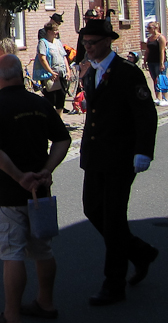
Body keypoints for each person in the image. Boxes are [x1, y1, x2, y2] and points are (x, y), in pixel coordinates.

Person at [0, 54, 71, 323]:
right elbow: (63, 140)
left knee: (12, 253)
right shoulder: (40, 103)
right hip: (38, 190)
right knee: (43, 250)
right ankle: (46, 302)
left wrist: (20, 177)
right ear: (21, 75)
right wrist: (46, 170)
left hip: (7, 192)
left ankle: (11, 314)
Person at [77, 17, 159, 306]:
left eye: (92, 43)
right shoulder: (91, 72)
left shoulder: (127, 72)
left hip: (120, 157)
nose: (87, 48)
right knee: (92, 209)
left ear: (107, 42)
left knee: (113, 219)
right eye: (85, 43)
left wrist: (143, 151)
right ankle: (140, 252)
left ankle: (114, 284)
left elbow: (145, 114)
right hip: (96, 155)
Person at [34, 22, 69, 113]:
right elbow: (42, 59)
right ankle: (50, 119)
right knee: (51, 100)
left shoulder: (58, 42)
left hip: (61, 75)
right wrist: (51, 72)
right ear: (49, 31)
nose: (57, 32)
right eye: (55, 30)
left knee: (61, 101)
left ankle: (59, 119)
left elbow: (63, 57)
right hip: (50, 76)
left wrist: (68, 71)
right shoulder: (43, 43)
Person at [144, 21, 167, 106]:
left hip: (159, 61)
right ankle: (158, 97)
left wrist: (162, 63)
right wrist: (145, 61)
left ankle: (165, 98)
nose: (148, 29)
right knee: (155, 80)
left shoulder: (160, 38)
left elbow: (162, 51)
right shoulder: (149, 39)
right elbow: (147, 51)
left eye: (149, 27)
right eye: (147, 27)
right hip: (151, 61)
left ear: (155, 28)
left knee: (161, 79)